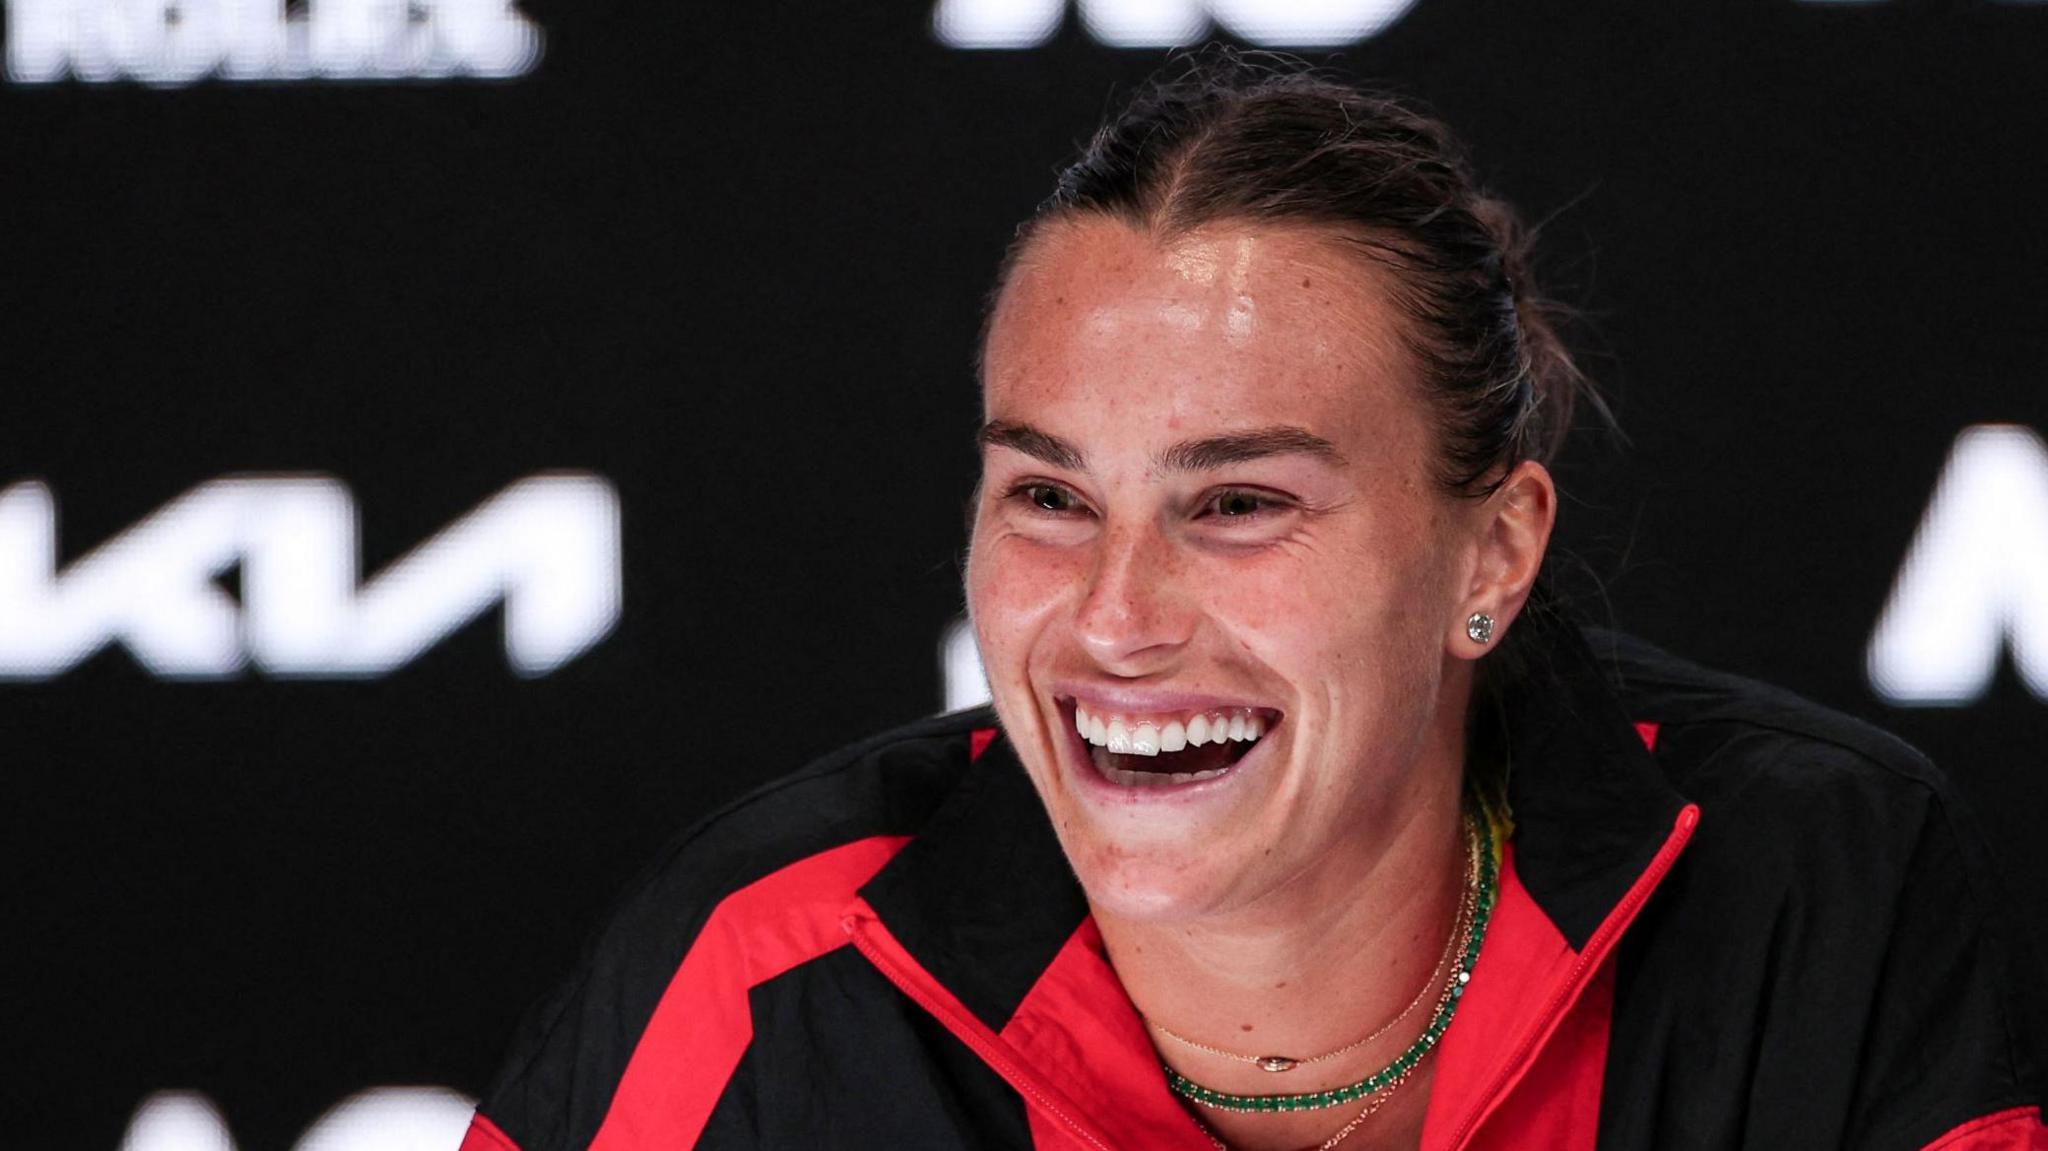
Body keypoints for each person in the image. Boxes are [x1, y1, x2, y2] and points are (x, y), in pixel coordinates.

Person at [457, 55, 2046, 1151]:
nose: (1118, 618)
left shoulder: (1814, 878)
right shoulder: (769, 966)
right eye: (1051, 498)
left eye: (1238, 505)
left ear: (1491, 556)